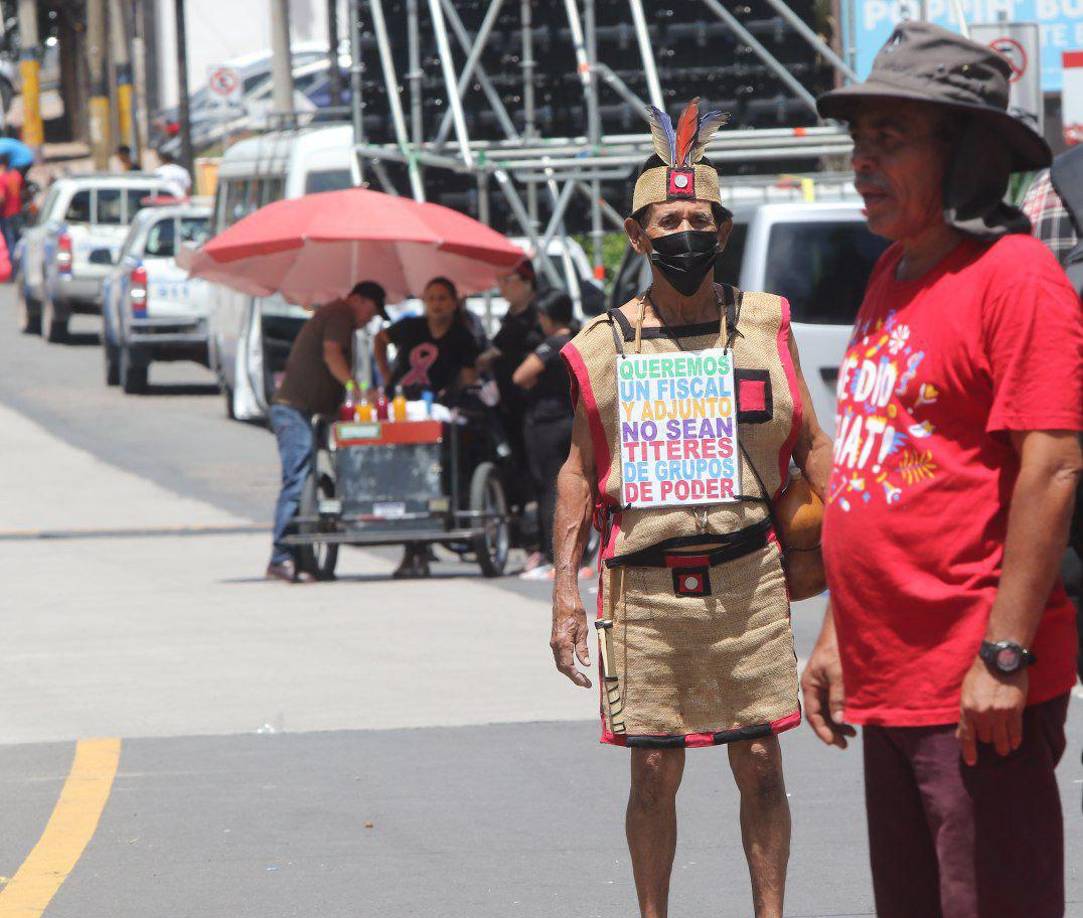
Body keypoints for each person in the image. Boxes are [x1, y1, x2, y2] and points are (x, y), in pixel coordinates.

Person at [801, 22, 1083, 918]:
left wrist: (1003, 654)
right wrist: (837, 632)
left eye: (889, 139)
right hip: (890, 671)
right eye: (857, 141)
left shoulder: (1015, 276)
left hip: (974, 680)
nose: (861, 162)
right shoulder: (891, 269)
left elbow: (1051, 468)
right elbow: (874, 465)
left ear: (962, 152)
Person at [550, 98, 833, 918]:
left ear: (722, 227)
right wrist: (566, 591)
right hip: (642, 586)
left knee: (759, 763)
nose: (684, 232)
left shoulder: (763, 326)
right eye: (665, 219)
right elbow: (576, 468)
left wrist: (852, 555)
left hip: (749, 580)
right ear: (636, 237)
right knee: (651, 771)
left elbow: (816, 448)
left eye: (697, 216)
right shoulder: (601, 347)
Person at [266, 281, 387, 583]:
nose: (368, 320)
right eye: (370, 312)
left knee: (316, 474)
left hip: (313, 413)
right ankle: (280, 556)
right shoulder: (340, 314)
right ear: (357, 300)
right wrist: (354, 389)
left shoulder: (343, 321)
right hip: (292, 410)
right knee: (298, 478)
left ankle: (301, 555)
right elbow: (332, 355)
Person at [374, 276, 480, 577]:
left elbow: (470, 374)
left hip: (440, 413)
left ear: (453, 302)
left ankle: (419, 546)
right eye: (431, 298)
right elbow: (379, 340)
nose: (437, 304)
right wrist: (386, 376)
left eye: (442, 298)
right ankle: (414, 547)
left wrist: (460, 388)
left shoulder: (463, 335)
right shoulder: (410, 327)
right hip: (403, 407)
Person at [478, 260, 544, 561]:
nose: (502, 287)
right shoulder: (510, 316)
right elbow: (497, 349)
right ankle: (529, 536)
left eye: (508, 280)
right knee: (519, 471)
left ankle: (541, 543)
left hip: (538, 406)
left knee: (539, 474)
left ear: (525, 281)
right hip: (511, 408)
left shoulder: (538, 314)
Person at [511, 289, 577, 580]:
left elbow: (520, 376)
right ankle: (578, 552)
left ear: (546, 316)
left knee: (549, 488)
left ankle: (553, 556)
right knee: (574, 483)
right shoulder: (580, 339)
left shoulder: (551, 345)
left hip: (545, 423)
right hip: (572, 420)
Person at [0, 152, 23, 258]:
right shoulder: (17, 175)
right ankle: (20, 263)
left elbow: (1, 198)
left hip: (6, 215)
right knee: (18, 239)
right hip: (17, 213)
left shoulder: (2, 178)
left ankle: (13, 268)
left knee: (10, 242)